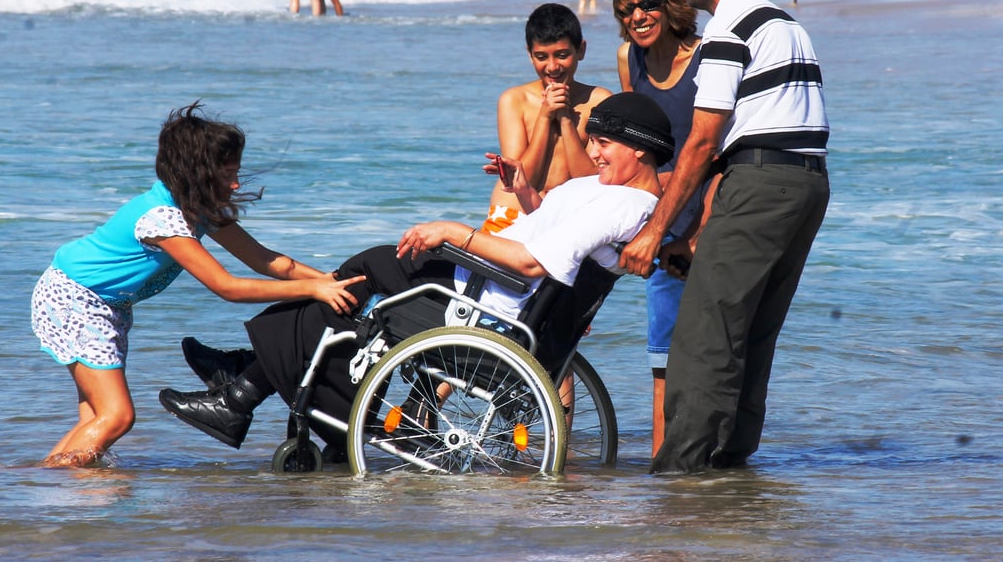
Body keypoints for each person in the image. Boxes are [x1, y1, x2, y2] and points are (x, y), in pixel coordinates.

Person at [158, 94, 674, 454]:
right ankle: (249, 377)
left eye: (604, 143)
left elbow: (534, 263)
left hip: (493, 302)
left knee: (363, 273)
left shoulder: (624, 205)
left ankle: (244, 387)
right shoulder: (606, 193)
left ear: (640, 148)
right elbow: (543, 238)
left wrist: (453, 232)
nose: (592, 152)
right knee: (348, 289)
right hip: (494, 285)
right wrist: (524, 192)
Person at [31, 102, 364, 468]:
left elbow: (268, 261)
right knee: (117, 417)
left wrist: (333, 281)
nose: (236, 184)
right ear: (197, 175)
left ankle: (50, 490)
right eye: (227, 175)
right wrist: (313, 291)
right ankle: (51, 485)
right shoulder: (164, 219)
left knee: (96, 419)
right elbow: (228, 287)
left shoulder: (198, 209)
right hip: (75, 299)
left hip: (102, 303)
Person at [619, 0, 830, 474]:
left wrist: (654, 234)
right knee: (751, 332)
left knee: (702, 335)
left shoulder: (727, 29)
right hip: (808, 184)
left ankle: (680, 476)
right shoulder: (786, 23)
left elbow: (702, 142)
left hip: (760, 181)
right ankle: (731, 471)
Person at [612, 0, 706, 458]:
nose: (637, 17)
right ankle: (662, 476)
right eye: (627, 10)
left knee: (713, 359)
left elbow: (716, 153)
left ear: (671, 1)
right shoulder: (631, 60)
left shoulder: (707, 54)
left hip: (709, 219)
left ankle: (715, 471)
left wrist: (697, 233)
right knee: (662, 364)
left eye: (647, 4)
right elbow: (642, 146)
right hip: (663, 228)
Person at [484, 3, 611, 234]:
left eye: (562, 55)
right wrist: (544, 116)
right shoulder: (514, 100)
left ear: (580, 50)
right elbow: (521, 181)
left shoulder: (598, 100)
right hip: (513, 214)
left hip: (566, 221)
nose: (552, 67)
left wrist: (564, 119)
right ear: (530, 55)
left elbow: (591, 182)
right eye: (541, 57)